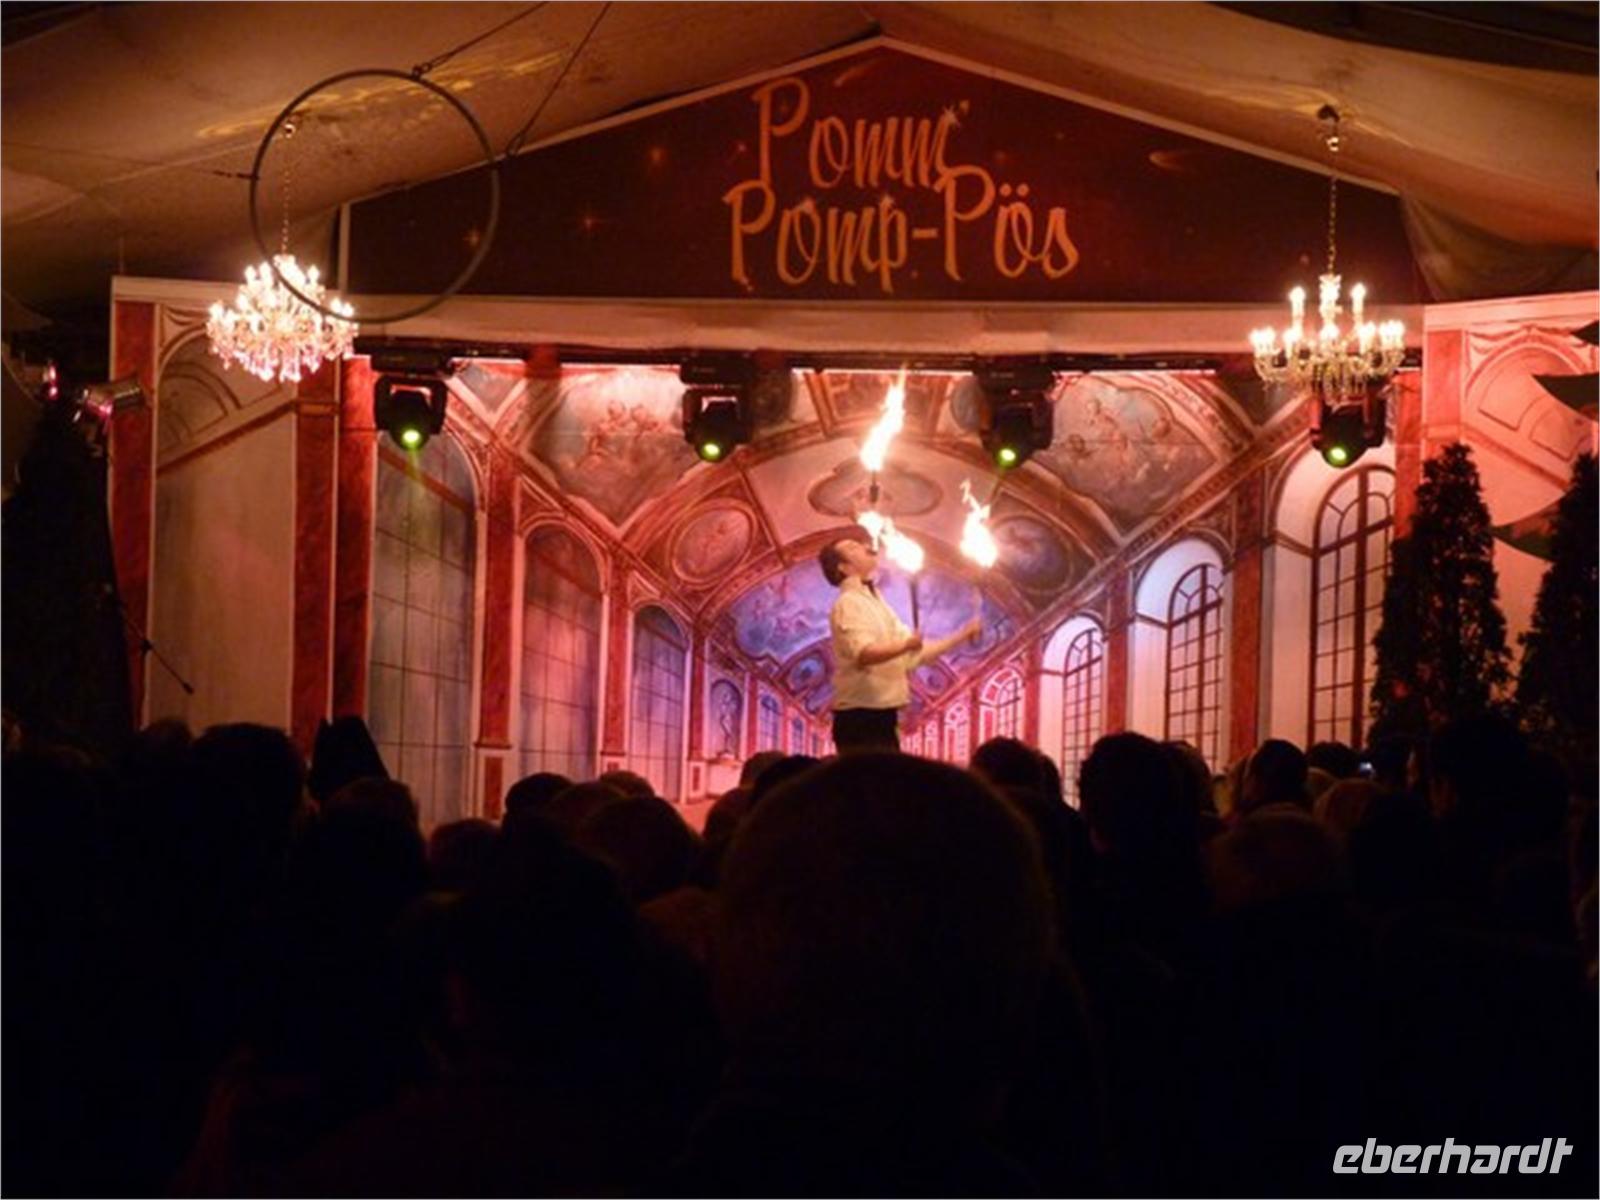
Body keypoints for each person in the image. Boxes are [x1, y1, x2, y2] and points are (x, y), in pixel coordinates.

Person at [819, 536, 979, 752]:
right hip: (861, 718)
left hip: (883, 716)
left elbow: (916, 655)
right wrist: (906, 645)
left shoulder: (877, 603)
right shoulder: (849, 603)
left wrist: (962, 634)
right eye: (852, 547)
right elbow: (864, 654)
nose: (865, 546)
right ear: (844, 568)